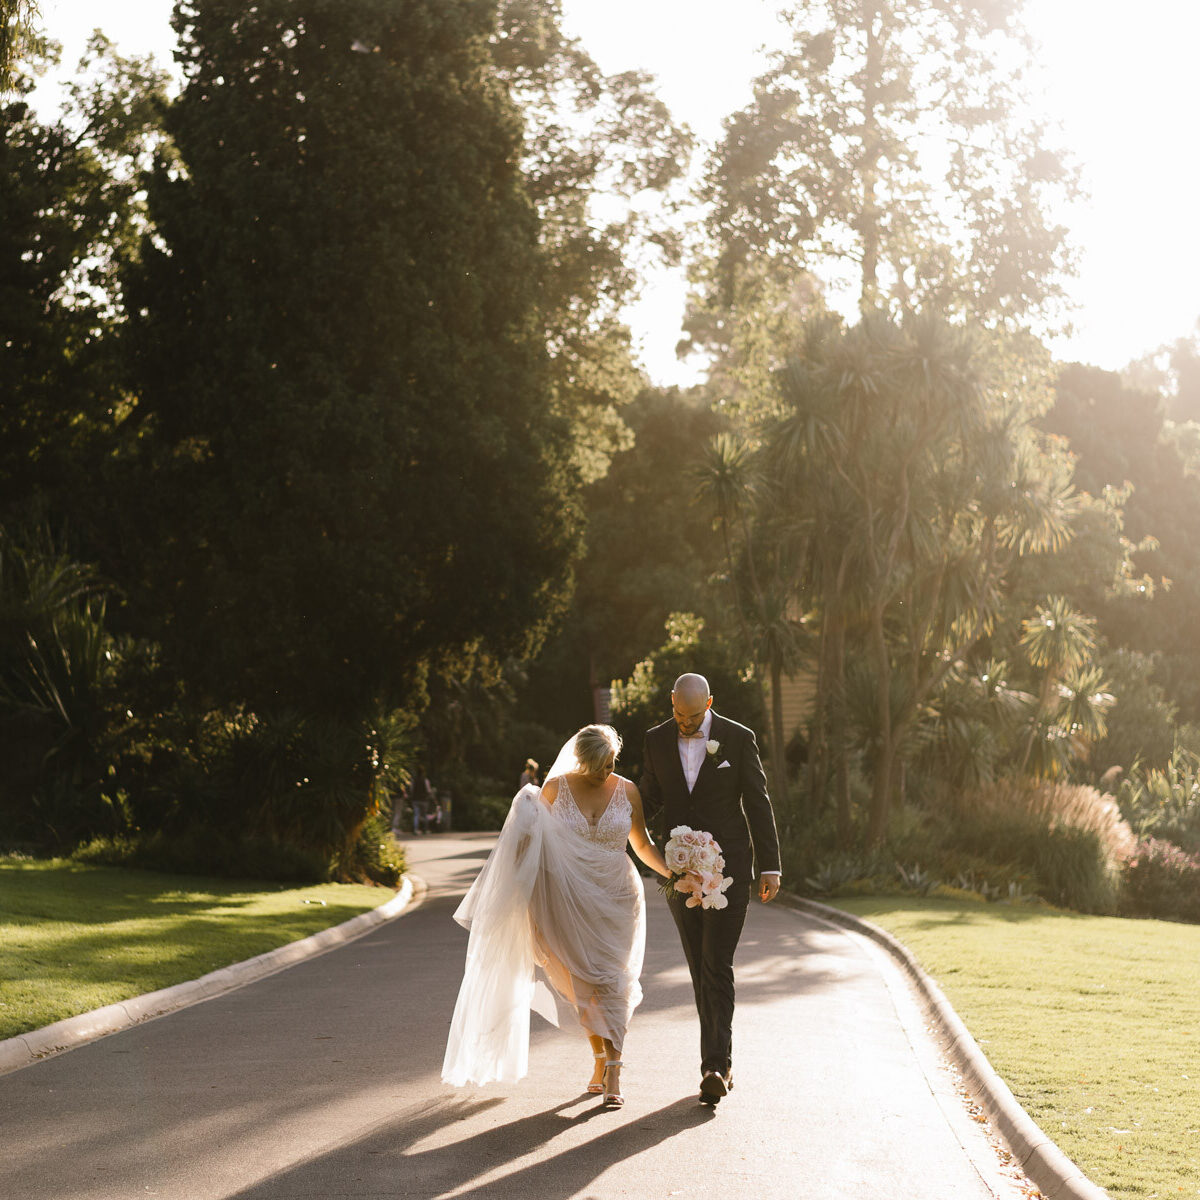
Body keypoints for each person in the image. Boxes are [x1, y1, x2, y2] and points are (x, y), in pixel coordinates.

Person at [442, 724, 669, 1108]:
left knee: (614, 981)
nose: (603, 772)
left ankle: (614, 1067)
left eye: (610, 763)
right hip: (568, 901)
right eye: (597, 764)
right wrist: (519, 896)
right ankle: (599, 1058)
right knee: (582, 985)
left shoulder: (627, 790)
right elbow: (529, 847)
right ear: (581, 759)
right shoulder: (554, 790)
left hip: (617, 898)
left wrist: (674, 874)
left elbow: (642, 843)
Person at [640, 672, 781, 1106]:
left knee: (716, 962)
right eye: (679, 715)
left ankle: (716, 1066)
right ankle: (718, 1062)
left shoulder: (738, 739)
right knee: (700, 968)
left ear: (710, 703)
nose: (686, 724)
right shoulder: (656, 740)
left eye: (694, 716)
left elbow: (757, 802)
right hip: (678, 873)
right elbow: (647, 800)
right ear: (672, 703)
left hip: (730, 869)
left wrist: (770, 866)